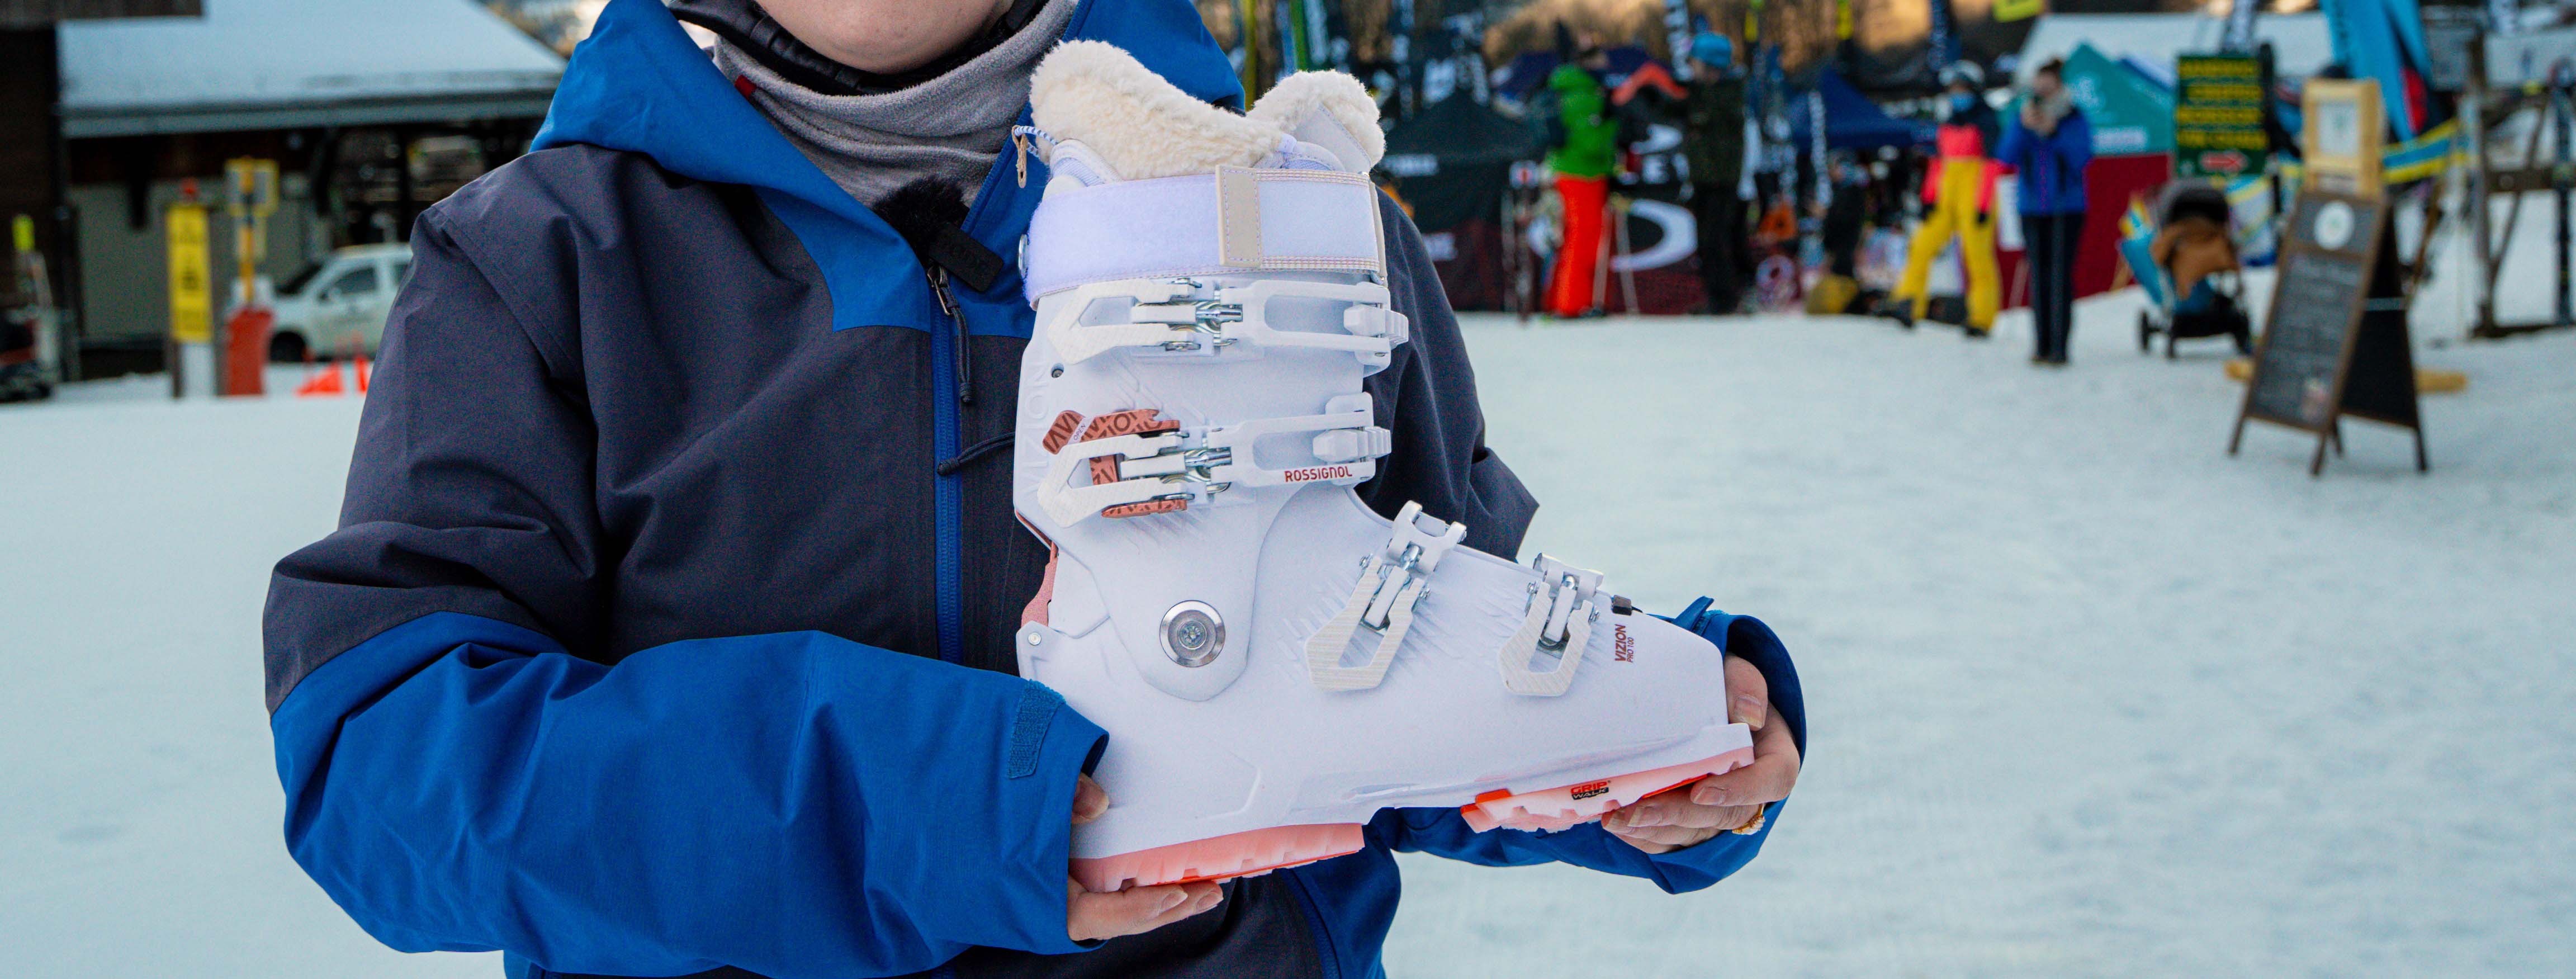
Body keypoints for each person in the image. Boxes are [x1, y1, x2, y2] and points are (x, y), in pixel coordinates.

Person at [259, 1, 1806, 978]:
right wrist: (943, 804)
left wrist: (1638, 770)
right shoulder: (540, 259)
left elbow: (1381, 669)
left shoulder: (1305, 214)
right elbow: (388, 767)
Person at [1886, 62, 2002, 336]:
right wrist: (1928, 198)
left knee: (1977, 257)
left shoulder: (1988, 121)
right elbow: (1938, 164)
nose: (1957, 96)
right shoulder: (1948, 122)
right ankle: (1907, 302)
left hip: (1974, 190)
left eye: (1962, 90)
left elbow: (1992, 166)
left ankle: (1981, 318)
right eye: (1953, 91)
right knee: (1921, 245)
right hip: (1947, 191)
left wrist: (1983, 204)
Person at [1996, 57, 2093, 366]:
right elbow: (2006, 157)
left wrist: (2053, 133)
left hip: (2066, 206)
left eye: (2048, 87)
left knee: (2060, 276)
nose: (2042, 93)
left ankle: (2060, 347)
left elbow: (2082, 157)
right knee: (2039, 276)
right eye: (2038, 86)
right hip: (2032, 207)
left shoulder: (2073, 117)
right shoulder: (2024, 116)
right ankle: (2041, 344)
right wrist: (2024, 128)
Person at [1543, 39, 1621, 318]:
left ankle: (1571, 301)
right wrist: (1612, 124)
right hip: (1582, 175)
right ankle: (1571, 304)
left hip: (1574, 173)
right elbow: (1592, 145)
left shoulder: (1571, 89)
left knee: (1577, 240)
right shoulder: (1584, 96)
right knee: (1582, 241)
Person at [1680, 31, 1749, 314]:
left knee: (1717, 239)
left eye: (1695, 63)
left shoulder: (1727, 94)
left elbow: (1716, 129)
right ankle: (1714, 295)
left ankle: (1725, 299)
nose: (1691, 69)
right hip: (1704, 179)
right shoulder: (1701, 92)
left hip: (1722, 181)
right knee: (1705, 240)